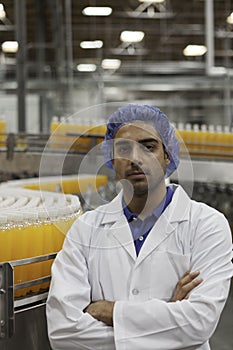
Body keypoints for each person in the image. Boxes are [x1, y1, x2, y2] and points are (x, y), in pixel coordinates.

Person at [46, 104, 233, 350]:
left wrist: (111, 312)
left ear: (167, 155)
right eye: (124, 149)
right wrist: (169, 315)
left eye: (148, 146)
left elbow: (199, 323)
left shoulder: (207, 225)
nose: (135, 158)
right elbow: (63, 331)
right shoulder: (86, 229)